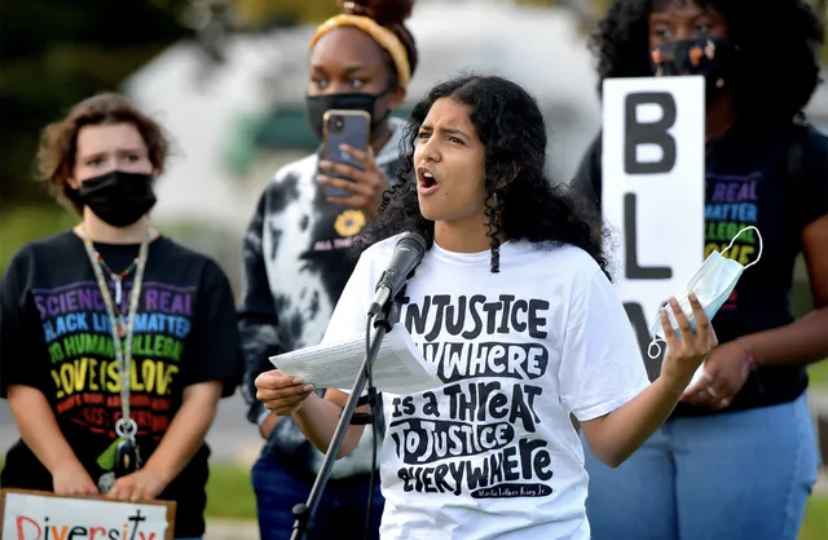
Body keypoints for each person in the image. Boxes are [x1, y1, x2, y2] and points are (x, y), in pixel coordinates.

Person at [254, 74, 718, 538]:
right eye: (424, 135)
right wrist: (298, 402)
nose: (427, 151)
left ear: (503, 169)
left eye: (453, 139)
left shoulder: (567, 273)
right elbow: (342, 431)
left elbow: (611, 444)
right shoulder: (385, 267)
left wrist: (675, 375)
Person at [571, 1, 828, 539]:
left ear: (752, 38)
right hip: (629, 420)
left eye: (703, 27)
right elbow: (571, 275)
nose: (679, 45)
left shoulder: (798, 155)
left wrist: (746, 352)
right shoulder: (612, 152)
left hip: (748, 422)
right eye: (662, 30)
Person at [0, 93, 244, 540]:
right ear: (70, 175)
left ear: (153, 164)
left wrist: (153, 476)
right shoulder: (34, 266)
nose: (115, 169)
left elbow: (203, 395)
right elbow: (21, 383)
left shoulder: (200, 274)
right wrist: (64, 468)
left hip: (166, 506)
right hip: (48, 503)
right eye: (96, 160)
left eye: (130, 156)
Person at [238, 1, 419, 538]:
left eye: (354, 78)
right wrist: (270, 416)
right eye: (319, 79)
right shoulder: (284, 188)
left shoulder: (428, 170)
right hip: (295, 467)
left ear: (393, 92)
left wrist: (383, 208)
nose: (331, 91)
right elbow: (255, 314)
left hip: (403, 463)